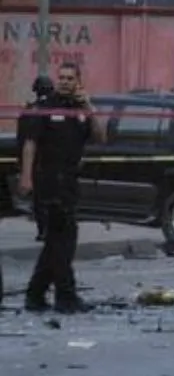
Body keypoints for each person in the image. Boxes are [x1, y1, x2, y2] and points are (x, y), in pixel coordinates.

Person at [18, 63, 106, 313]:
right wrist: (26, 177)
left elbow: (100, 138)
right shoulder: (46, 106)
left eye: (70, 78)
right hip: (48, 180)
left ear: (78, 81)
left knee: (57, 242)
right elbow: (30, 144)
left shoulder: (80, 109)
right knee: (64, 240)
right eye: (62, 77)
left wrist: (89, 107)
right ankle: (65, 297)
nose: (64, 81)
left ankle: (35, 295)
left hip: (69, 181)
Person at [17, 76, 55, 241]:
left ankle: (43, 230)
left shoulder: (29, 110)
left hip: (36, 160)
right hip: (49, 159)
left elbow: (22, 139)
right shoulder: (54, 109)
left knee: (40, 199)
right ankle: (47, 229)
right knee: (50, 197)